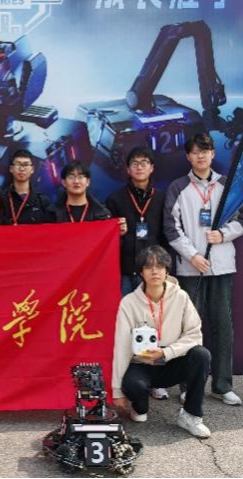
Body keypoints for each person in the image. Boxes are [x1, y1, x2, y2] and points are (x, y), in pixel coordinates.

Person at [164, 133, 243, 407]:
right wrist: (193, 255)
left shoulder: (227, 185)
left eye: (205, 151)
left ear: (213, 154)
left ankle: (222, 385)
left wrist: (223, 234)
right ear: (188, 156)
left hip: (221, 267)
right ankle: (189, 386)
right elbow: (171, 228)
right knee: (189, 329)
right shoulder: (178, 187)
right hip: (190, 270)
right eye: (196, 152)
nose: (201, 156)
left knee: (222, 326)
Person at [111, 245, 212, 439]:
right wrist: (117, 391)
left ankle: (191, 415)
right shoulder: (129, 303)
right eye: (148, 267)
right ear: (141, 273)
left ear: (167, 271)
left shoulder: (181, 297)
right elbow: (122, 347)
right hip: (141, 362)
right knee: (134, 392)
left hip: (171, 360)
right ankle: (139, 407)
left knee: (201, 355)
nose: (154, 271)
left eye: (159, 266)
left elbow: (194, 335)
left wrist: (166, 352)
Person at [106, 146, 171, 400]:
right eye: (135, 162)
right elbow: (106, 240)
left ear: (152, 168)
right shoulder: (115, 199)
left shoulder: (162, 198)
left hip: (154, 273)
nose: (140, 166)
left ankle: (155, 379)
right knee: (127, 327)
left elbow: (167, 235)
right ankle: (128, 379)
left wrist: (166, 270)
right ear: (127, 168)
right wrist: (117, 233)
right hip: (126, 271)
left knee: (155, 325)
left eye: (144, 162)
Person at [46, 160, 120, 226]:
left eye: (80, 177)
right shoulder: (52, 213)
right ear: (64, 182)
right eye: (71, 177)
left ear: (88, 182)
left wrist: (119, 231)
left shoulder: (102, 214)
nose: (76, 181)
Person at [2, 149, 52, 225]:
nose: (22, 169)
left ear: (32, 169)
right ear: (11, 168)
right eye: (18, 164)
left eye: (26, 164)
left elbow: (50, 229)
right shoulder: (2, 199)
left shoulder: (42, 201)